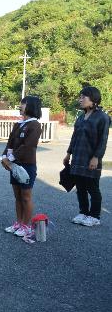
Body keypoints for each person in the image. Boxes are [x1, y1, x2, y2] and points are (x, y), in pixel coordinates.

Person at [64, 86, 110, 227]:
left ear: (93, 99)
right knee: (80, 187)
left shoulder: (102, 117)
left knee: (92, 188)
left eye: (84, 97)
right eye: (80, 96)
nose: (80, 99)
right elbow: (74, 137)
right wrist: (68, 153)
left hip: (91, 159)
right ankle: (83, 212)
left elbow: (103, 139)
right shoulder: (81, 117)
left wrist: (96, 157)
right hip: (78, 157)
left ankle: (95, 216)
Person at [1, 96, 42, 238]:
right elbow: (10, 143)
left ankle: (26, 225)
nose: (20, 106)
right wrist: (4, 158)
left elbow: (28, 146)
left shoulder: (35, 125)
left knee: (26, 196)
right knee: (17, 196)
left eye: (23, 104)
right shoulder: (18, 124)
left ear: (31, 106)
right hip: (14, 164)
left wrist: (10, 159)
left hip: (27, 165)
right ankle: (18, 223)